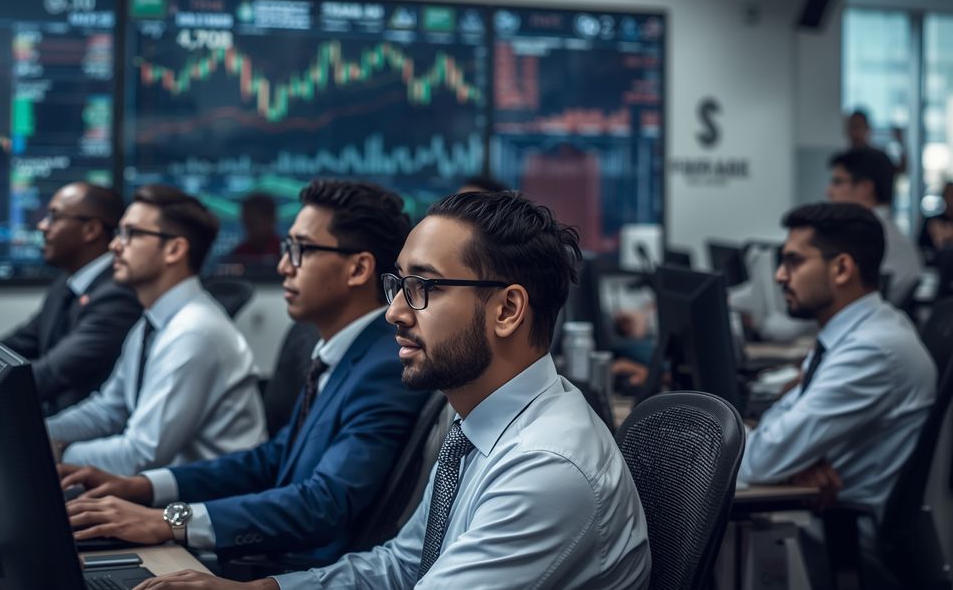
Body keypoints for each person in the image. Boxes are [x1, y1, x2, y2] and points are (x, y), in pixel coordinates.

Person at [135, 191, 652, 589]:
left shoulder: (545, 467)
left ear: (508, 310)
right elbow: (401, 564)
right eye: (398, 285)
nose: (395, 312)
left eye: (424, 288)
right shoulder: (478, 427)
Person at [58, 180, 430, 566]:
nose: (284, 265)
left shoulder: (385, 366)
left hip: (301, 570)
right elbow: (273, 459)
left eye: (300, 250)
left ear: (358, 268)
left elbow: (324, 503)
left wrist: (170, 520)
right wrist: (143, 487)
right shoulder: (338, 351)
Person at [46, 184, 267, 476]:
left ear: (174, 249)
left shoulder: (193, 333)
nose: (114, 246)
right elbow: (109, 409)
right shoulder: (152, 323)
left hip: (204, 506)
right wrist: (40, 433)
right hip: (162, 491)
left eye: (132, 234)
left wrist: (58, 452)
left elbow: (141, 454)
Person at [739, 202, 935, 523]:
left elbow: (759, 460)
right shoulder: (857, 331)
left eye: (794, 261)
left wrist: (785, 456)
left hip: (837, 536)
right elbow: (777, 436)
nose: (779, 275)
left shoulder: (871, 350)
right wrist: (795, 460)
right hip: (822, 518)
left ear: (842, 269)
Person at [0, 182, 141, 414]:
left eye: (54, 217)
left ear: (90, 230)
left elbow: (48, 374)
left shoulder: (117, 296)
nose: (42, 226)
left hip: (72, 432)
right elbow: (16, 346)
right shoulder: (68, 282)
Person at [827, 147, 923, 307]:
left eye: (838, 182)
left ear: (865, 187)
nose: (829, 192)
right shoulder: (891, 235)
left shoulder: (866, 237)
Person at [844, 109, 907, 175]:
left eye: (857, 127)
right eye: (851, 127)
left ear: (867, 128)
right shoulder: (843, 161)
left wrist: (901, 143)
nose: (854, 132)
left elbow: (901, 169)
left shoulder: (879, 159)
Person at [230, 193, 282, 259]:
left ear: (270, 219)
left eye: (253, 221)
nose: (248, 226)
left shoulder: (286, 254)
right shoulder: (238, 255)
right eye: (246, 220)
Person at [918, 180, 953, 265]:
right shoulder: (931, 221)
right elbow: (921, 249)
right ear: (943, 196)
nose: (951, 200)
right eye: (949, 195)